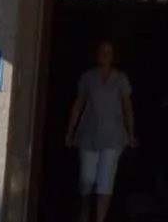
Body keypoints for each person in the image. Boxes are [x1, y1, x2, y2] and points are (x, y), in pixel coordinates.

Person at [65, 38, 136, 222]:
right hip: (88, 134)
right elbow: (78, 104)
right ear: (97, 55)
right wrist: (70, 132)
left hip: (113, 136)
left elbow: (127, 107)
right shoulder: (88, 78)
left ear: (113, 56)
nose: (105, 56)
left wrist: (131, 133)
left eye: (109, 53)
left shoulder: (120, 79)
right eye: (102, 52)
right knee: (87, 180)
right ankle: (85, 210)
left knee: (105, 183)